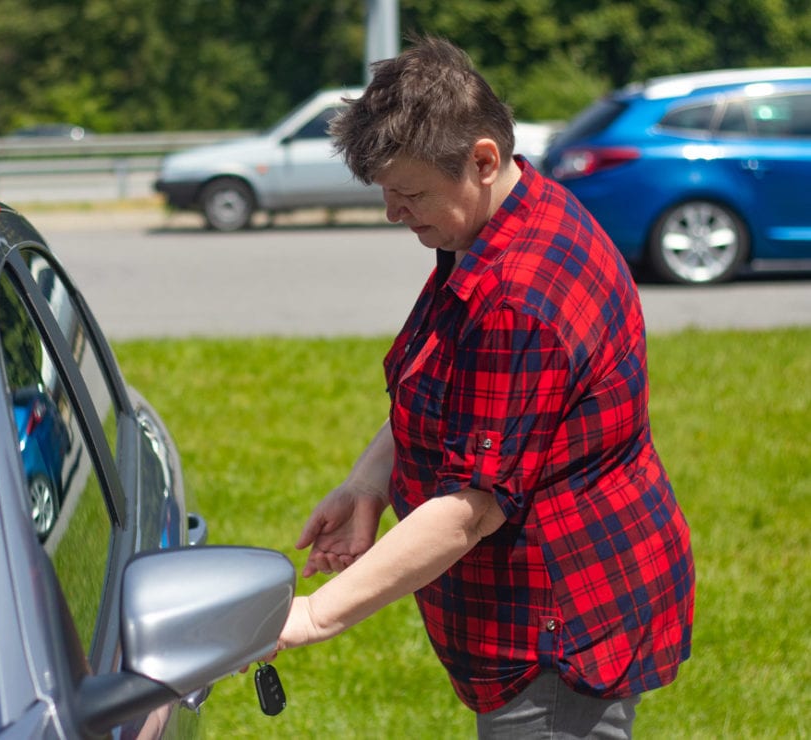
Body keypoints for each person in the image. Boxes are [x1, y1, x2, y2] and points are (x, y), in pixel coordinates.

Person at [271, 35, 695, 738]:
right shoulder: (503, 218)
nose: (393, 214)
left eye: (408, 194)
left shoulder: (517, 297)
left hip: (558, 633)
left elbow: (472, 507)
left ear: (483, 160)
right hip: (563, 600)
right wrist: (369, 480)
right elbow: (453, 385)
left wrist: (315, 615)